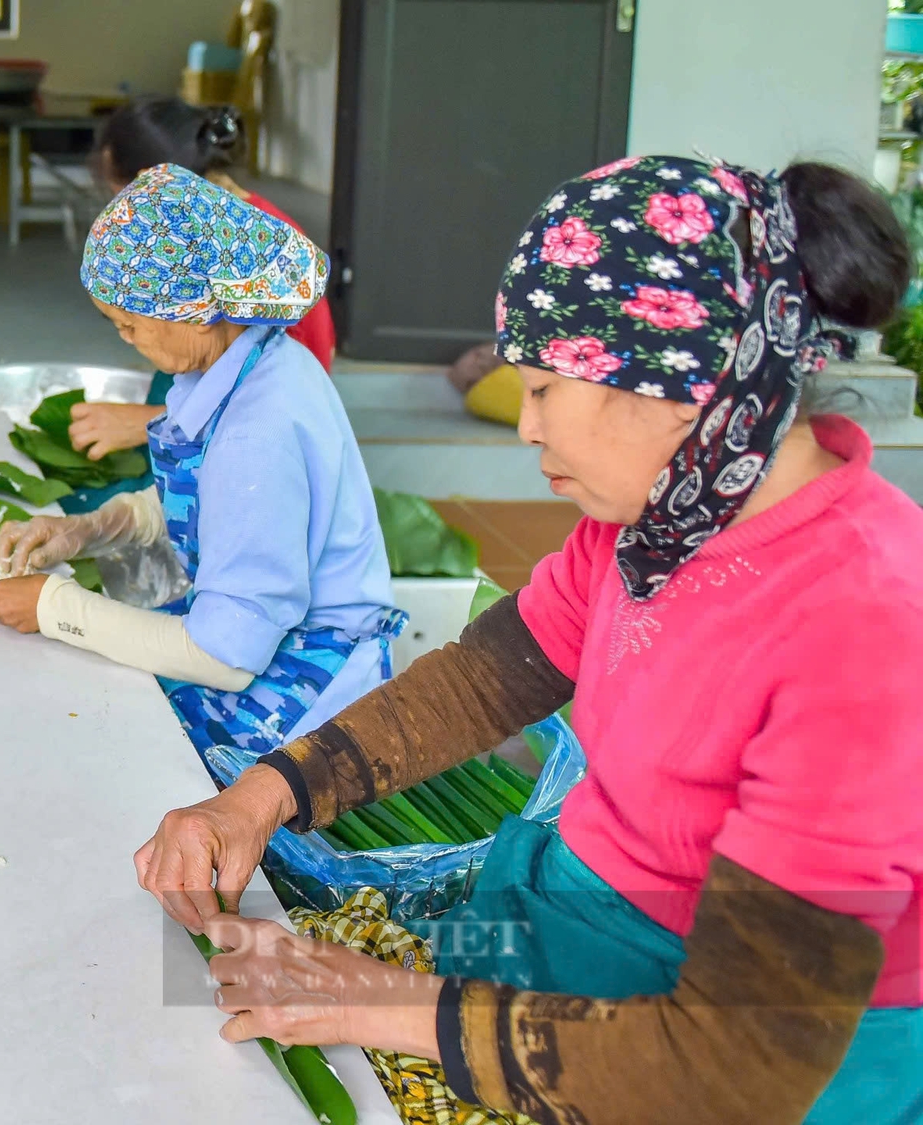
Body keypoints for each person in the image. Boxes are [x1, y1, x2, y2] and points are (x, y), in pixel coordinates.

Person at [135, 157, 923, 1124]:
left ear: (677, 388)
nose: (527, 427)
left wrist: (374, 999)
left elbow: (735, 1064)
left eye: (547, 387)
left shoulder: (864, 627)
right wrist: (263, 796)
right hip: (578, 950)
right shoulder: (653, 524)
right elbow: (481, 681)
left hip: (733, 1064)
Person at [0, 164, 405, 788]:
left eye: (129, 325)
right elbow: (206, 499)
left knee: (114, 752)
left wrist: (54, 606)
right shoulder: (249, 358)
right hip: (257, 634)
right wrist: (86, 530)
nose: (127, 341)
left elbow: (224, 658)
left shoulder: (260, 430)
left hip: (309, 688)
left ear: (194, 312)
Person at [66, 97, 340, 463]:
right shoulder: (228, 225)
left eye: (121, 200)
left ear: (155, 185)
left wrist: (148, 423)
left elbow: (270, 412)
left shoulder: (250, 273)